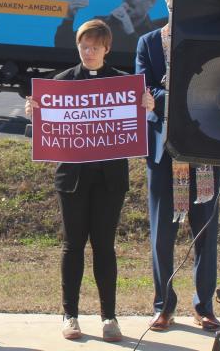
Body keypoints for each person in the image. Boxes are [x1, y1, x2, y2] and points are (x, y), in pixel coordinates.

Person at [25, 19, 154, 342]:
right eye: (84, 45)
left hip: (110, 180)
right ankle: (70, 315)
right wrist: (35, 110)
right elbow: (48, 123)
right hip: (72, 179)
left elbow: (138, 121)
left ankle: (109, 317)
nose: (89, 51)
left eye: (95, 46)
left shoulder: (123, 85)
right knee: (72, 246)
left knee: (104, 247)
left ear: (107, 49)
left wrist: (146, 107)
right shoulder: (61, 82)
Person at [135, 0, 220, 333]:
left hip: (203, 150)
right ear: (168, 3)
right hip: (163, 152)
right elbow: (144, 88)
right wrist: (180, 93)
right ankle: (163, 306)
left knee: (205, 233)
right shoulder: (149, 42)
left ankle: (204, 307)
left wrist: (169, 92)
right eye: (176, 1)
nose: (181, 7)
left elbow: (214, 87)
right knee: (162, 235)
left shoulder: (208, 43)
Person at [55, 0, 166, 55]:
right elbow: (64, 46)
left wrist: (130, 32)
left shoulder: (156, 33)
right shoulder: (102, 24)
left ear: (151, 2)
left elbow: (149, 61)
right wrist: (69, 17)